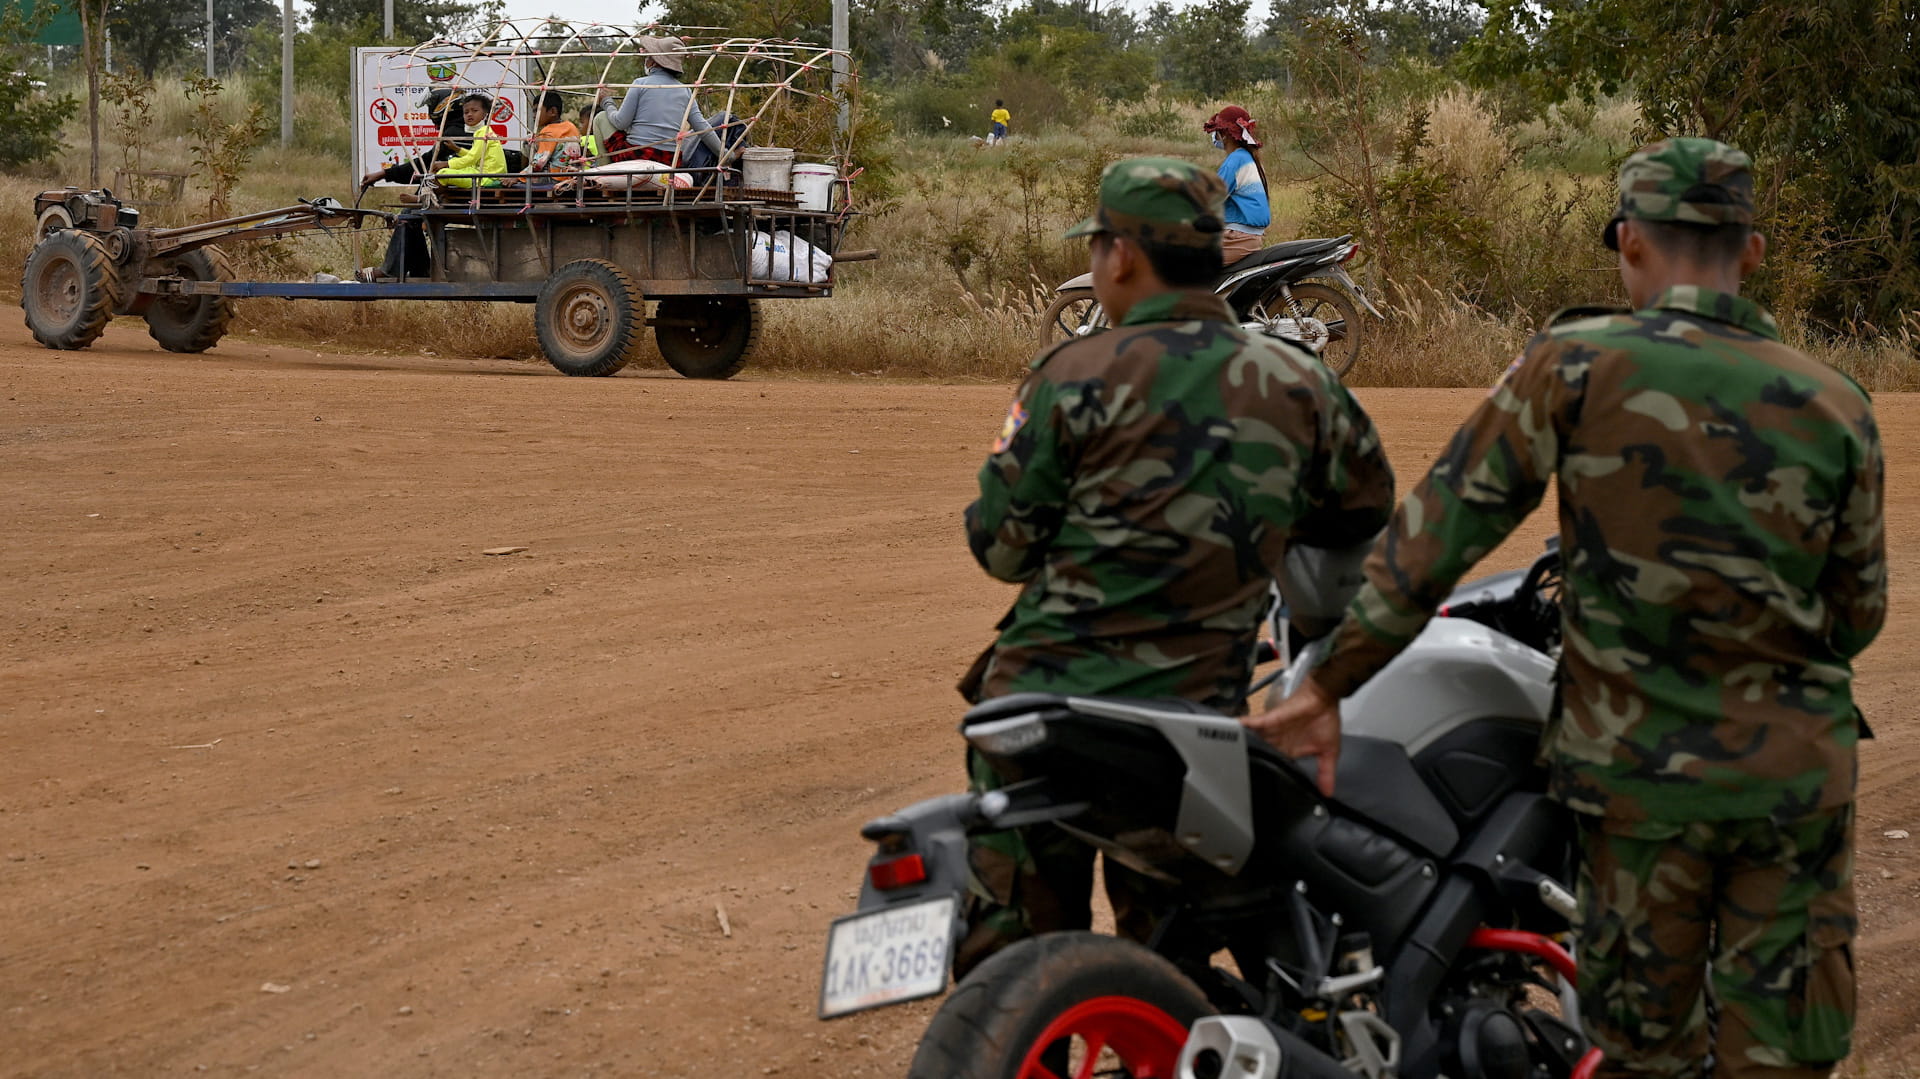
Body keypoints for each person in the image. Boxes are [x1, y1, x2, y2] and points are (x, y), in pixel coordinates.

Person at [1244, 138, 1884, 1078]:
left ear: (1628, 243)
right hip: (1793, 786)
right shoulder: (1837, 403)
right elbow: (1856, 612)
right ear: (1750, 253)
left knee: (1640, 1050)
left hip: (1637, 784)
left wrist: (1324, 686)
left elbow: (1433, 543)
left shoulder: (1574, 366)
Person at [955, 156, 1397, 978]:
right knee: (1175, 966)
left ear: (1121, 257)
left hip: (1038, 710)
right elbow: (1360, 514)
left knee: (1005, 966)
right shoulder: (1297, 380)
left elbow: (1001, 549)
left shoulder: (1069, 376)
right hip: (1189, 723)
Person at [364, 93, 507, 280]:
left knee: (409, 214)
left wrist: (385, 174)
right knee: (412, 213)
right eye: (467, 111)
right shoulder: (467, 131)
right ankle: (420, 268)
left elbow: (425, 163)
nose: (470, 114)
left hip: (467, 189)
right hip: (465, 187)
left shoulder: (455, 132)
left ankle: (394, 270)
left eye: (474, 111)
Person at [596, 35, 727, 174]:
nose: (646, 59)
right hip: (669, 160)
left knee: (601, 117)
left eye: (648, 56)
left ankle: (605, 173)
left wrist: (607, 102)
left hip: (637, 155)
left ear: (654, 62)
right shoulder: (685, 90)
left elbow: (620, 122)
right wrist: (726, 155)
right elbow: (702, 127)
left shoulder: (640, 84)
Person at [359, 86, 465, 189]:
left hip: (456, 192)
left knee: (416, 205)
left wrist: (383, 174)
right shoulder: (463, 128)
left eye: (431, 105)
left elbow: (423, 164)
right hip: (461, 188)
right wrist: (385, 174)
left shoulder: (454, 133)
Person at [1203, 105, 1270, 265]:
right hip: (1249, 238)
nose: (1215, 136)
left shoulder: (1235, 161)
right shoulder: (1248, 158)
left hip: (1237, 239)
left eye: (1217, 132)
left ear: (1225, 134)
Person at [527, 90, 581, 175]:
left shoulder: (548, 131)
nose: (534, 116)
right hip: (572, 177)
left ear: (552, 111)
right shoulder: (571, 127)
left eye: (537, 111)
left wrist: (518, 177)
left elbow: (538, 164)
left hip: (555, 178)